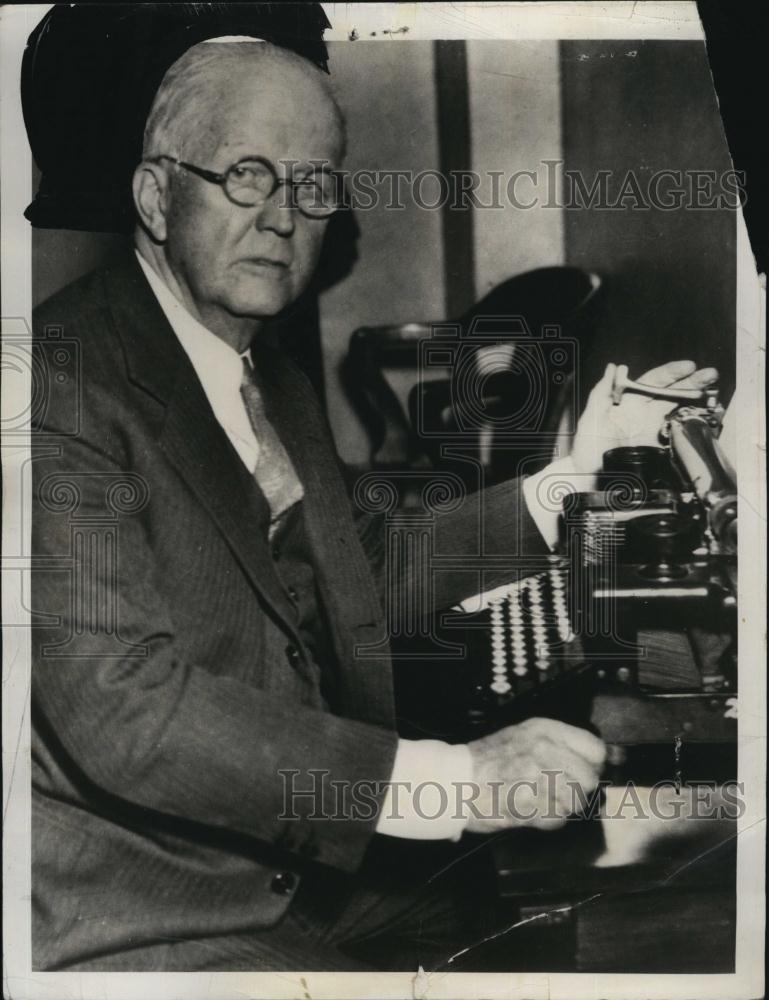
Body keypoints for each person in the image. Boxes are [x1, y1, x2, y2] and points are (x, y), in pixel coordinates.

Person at [30, 39, 718, 972]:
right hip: (141, 900)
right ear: (156, 196)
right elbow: (128, 715)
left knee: (549, 928)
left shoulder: (261, 370)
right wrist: (457, 781)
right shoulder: (55, 383)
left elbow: (357, 566)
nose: (283, 216)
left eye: (312, 184)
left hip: (284, 857)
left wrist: (574, 475)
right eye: (246, 174)